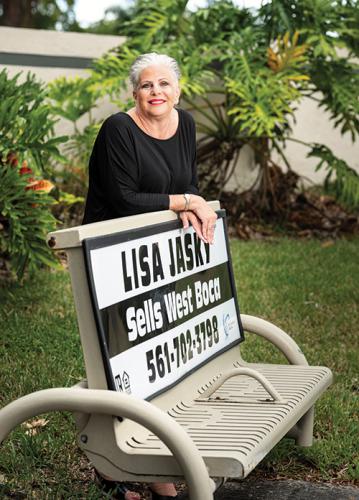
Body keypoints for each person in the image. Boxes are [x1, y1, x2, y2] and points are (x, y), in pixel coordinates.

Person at [82, 52, 217, 499]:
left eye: (163, 84)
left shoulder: (187, 124)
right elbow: (123, 199)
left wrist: (192, 205)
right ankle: (118, 467)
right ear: (133, 92)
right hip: (109, 257)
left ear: (178, 90)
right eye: (146, 85)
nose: (155, 92)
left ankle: (149, 461)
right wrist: (186, 202)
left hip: (156, 256)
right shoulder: (119, 130)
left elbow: (188, 182)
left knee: (157, 355)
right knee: (119, 361)